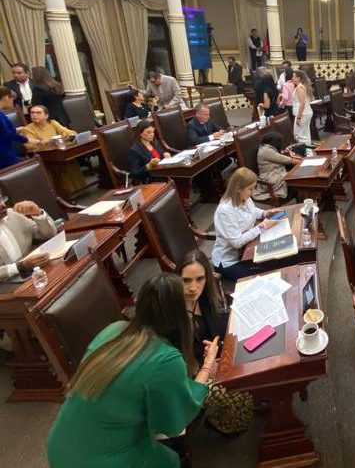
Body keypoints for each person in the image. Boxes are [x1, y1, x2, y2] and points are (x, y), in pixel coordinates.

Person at [46, 273, 219, 468]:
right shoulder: (167, 359)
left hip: (59, 447)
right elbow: (174, 422)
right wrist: (207, 366)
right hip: (102, 462)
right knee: (169, 459)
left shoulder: (114, 329)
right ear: (181, 315)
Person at [177, 249, 253, 436]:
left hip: (211, 359)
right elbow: (176, 360)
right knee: (239, 391)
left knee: (251, 357)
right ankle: (221, 424)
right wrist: (207, 366)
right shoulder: (174, 312)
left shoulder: (204, 298)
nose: (193, 287)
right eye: (186, 280)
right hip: (188, 376)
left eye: (199, 279)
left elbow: (217, 329)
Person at [211, 167, 281, 281]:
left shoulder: (244, 198)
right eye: (250, 189)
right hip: (229, 261)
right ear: (238, 189)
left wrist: (265, 213)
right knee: (264, 275)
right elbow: (237, 242)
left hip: (247, 249)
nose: (253, 192)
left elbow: (253, 211)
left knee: (277, 260)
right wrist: (263, 226)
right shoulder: (225, 211)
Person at [19, 105, 85, 195]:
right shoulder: (27, 129)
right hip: (43, 156)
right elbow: (29, 147)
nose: (34, 115)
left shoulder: (52, 123)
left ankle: (78, 189)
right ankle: (62, 193)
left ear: (46, 116)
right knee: (59, 161)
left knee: (68, 158)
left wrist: (64, 136)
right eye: (32, 113)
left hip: (58, 151)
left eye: (38, 113)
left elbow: (70, 132)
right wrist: (46, 142)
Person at [0, 194, 55, 282]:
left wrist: (37, 214)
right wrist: (20, 266)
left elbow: (48, 235)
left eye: (1, 199)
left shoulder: (13, 214)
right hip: (5, 285)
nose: (2, 204)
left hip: (35, 273)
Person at [254, 132, 301, 202]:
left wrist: (283, 152)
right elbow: (289, 160)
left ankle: (302, 199)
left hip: (276, 174)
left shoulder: (266, 148)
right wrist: (304, 161)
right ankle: (304, 199)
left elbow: (277, 156)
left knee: (297, 176)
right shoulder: (266, 151)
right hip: (270, 179)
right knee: (298, 177)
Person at [0, 87, 27, 169]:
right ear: (6, 97)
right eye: (12, 98)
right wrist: (27, 140)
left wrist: (16, 130)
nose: (13, 101)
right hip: (4, 154)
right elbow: (7, 134)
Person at [291, 69, 314, 145]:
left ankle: (305, 151)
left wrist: (298, 117)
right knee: (305, 134)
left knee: (300, 135)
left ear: (298, 78)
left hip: (302, 114)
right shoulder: (302, 86)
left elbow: (302, 104)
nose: (292, 78)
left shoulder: (299, 87)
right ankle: (308, 151)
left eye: (293, 77)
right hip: (305, 113)